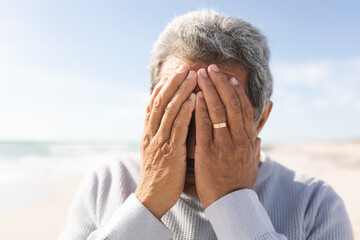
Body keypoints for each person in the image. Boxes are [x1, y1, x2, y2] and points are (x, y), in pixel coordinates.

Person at [59, 10, 354, 240]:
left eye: (216, 118)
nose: (191, 147)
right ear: (152, 109)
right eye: (177, 111)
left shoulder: (315, 205)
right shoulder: (109, 182)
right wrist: (147, 200)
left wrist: (234, 204)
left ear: (261, 119)